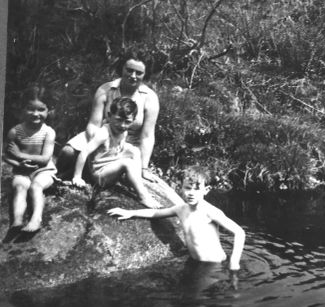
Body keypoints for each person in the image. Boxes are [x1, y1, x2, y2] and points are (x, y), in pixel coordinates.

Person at [107, 165, 246, 270]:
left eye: (196, 189)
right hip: (195, 262)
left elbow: (239, 232)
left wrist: (234, 262)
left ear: (206, 190)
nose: (191, 193)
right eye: (187, 188)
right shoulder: (181, 209)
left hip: (214, 264)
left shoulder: (210, 211)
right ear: (181, 187)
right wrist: (130, 212)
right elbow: (156, 213)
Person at [57, 53, 159, 183]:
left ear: (145, 74)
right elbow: (93, 124)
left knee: (127, 171)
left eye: (139, 73)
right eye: (129, 70)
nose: (133, 76)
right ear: (122, 68)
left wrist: (144, 168)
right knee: (68, 152)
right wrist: (98, 147)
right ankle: (58, 179)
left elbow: (147, 136)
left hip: (127, 144)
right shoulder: (105, 89)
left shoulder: (150, 97)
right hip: (102, 136)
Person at [72, 97, 160, 209]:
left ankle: (137, 184)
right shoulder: (103, 134)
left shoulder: (123, 132)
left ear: (133, 121)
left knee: (135, 150)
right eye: (118, 119)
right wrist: (77, 177)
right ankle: (142, 196)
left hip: (111, 165)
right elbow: (84, 152)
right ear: (109, 116)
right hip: (100, 174)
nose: (122, 125)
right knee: (127, 163)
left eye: (127, 122)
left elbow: (119, 148)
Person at [3, 86, 57, 232]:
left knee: (36, 187)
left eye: (41, 110)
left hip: (44, 171)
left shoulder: (48, 132)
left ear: (49, 110)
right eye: (30, 109)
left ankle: (36, 219)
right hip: (22, 171)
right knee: (20, 186)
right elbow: (5, 155)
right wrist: (19, 164)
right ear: (22, 109)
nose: (35, 114)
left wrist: (21, 155)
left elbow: (45, 159)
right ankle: (18, 220)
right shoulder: (15, 131)